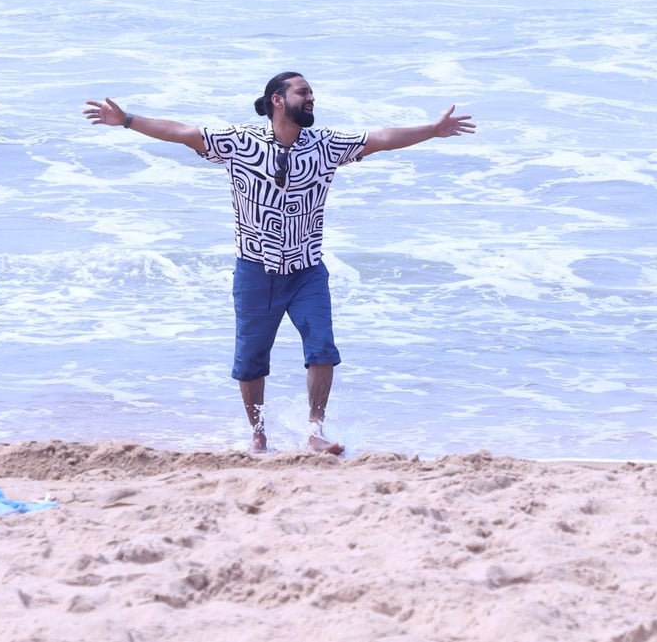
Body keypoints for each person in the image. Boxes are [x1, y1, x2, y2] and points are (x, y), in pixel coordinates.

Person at [83, 72, 475, 454]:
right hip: (254, 270)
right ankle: (258, 435)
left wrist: (432, 130)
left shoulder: (325, 145)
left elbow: (381, 139)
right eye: (303, 92)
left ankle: (315, 431)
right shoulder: (239, 141)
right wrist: (127, 120)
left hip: (307, 270)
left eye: (311, 93)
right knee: (251, 359)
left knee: (322, 348)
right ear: (277, 100)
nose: (311, 98)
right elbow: (182, 132)